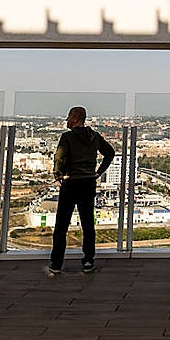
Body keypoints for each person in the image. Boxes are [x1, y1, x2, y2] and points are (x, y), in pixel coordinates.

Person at [47, 106, 115, 275]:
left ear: (75, 118)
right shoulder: (94, 137)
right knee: (87, 224)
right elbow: (110, 153)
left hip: (71, 183)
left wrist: (58, 175)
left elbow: (59, 157)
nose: (67, 120)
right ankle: (88, 261)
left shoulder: (67, 137)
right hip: (88, 183)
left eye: (69, 117)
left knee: (61, 225)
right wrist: (98, 172)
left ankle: (56, 263)